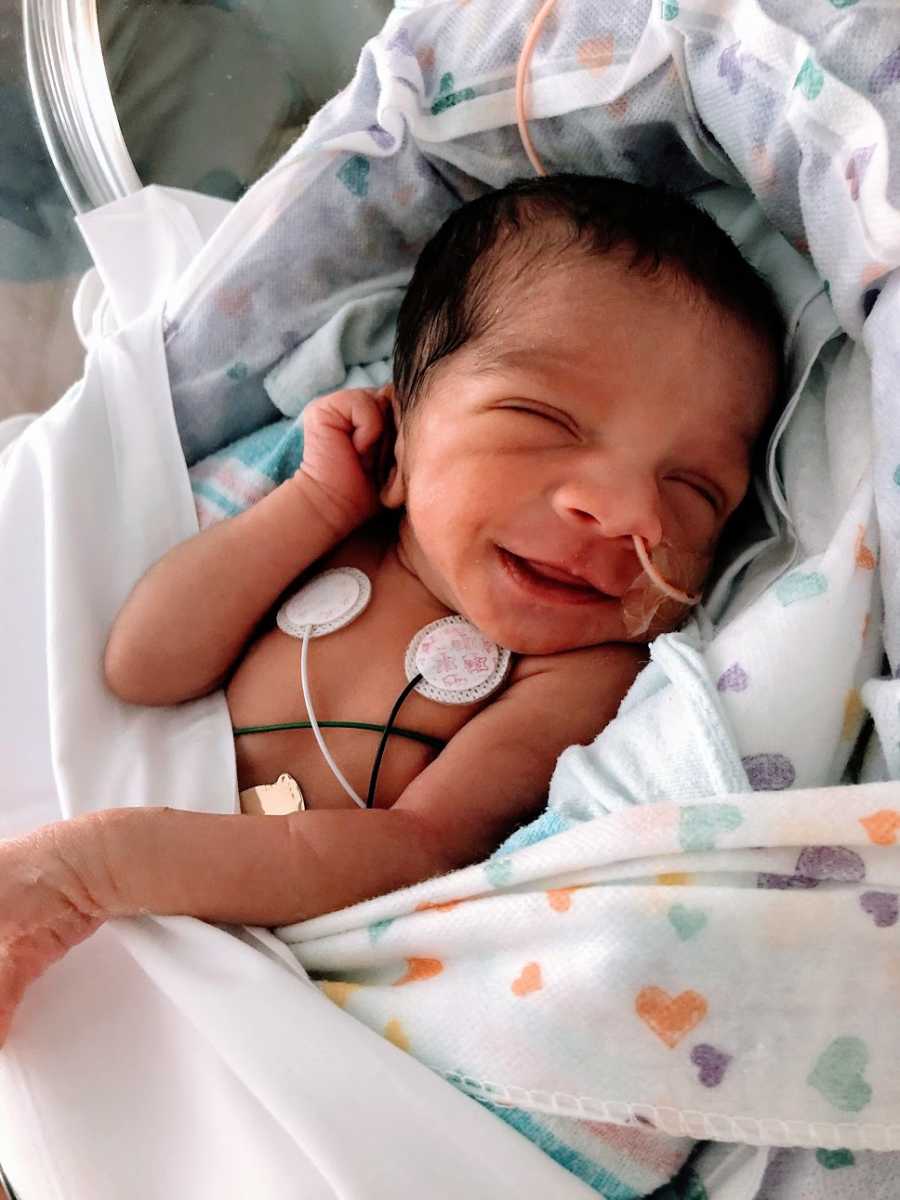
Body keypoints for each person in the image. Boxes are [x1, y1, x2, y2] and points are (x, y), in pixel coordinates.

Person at [0, 174, 782, 1043]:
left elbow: (416, 852)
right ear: (402, 435)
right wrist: (312, 506)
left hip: (226, 987)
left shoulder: (583, 672)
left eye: (695, 490)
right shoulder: (334, 535)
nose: (631, 511)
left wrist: (97, 867)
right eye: (543, 418)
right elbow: (141, 669)